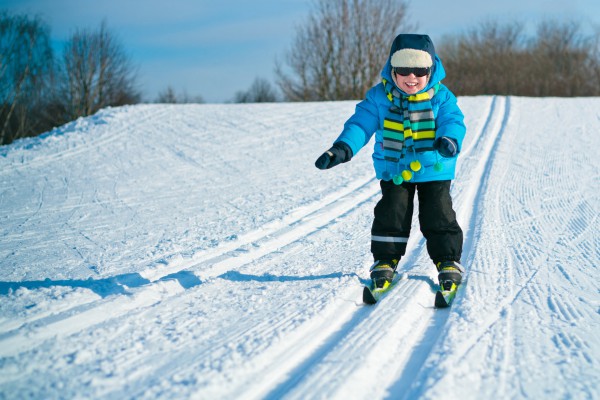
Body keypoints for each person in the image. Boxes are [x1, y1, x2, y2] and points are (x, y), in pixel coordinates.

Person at [314, 33, 466, 290]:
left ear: (430, 70)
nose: (411, 78)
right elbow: (360, 125)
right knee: (391, 212)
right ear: (392, 70)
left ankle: (448, 261)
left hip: (433, 166)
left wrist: (449, 139)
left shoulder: (441, 96)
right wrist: (342, 148)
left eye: (419, 71)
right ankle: (385, 260)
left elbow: (453, 121)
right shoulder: (379, 97)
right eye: (404, 70)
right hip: (395, 168)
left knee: (438, 213)